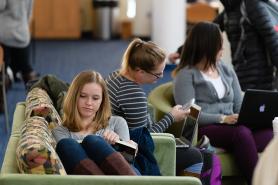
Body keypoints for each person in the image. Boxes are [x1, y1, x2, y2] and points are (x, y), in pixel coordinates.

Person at [172, 21, 273, 185]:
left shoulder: (225, 69)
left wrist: (250, 117)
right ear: (207, 47)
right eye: (219, 45)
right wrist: (222, 119)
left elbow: (239, 105)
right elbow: (190, 114)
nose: (223, 49)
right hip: (207, 127)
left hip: (235, 126)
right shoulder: (186, 75)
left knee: (270, 134)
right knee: (241, 134)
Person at [105, 38, 204, 178]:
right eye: (158, 74)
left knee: (199, 154)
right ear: (140, 71)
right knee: (195, 156)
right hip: (132, 152)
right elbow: (145, 140)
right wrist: (171, 117)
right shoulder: (133, 94)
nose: (162, 76)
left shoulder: (116, 75)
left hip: (118, 140)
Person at [52, 70, 137, 175]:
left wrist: (123, 146)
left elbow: (128, 162)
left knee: (92, 140)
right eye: (83, 96)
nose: (89, 103)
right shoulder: (60, 132)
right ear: (73, 98)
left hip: (125, 178)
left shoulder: (117, 122)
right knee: (67, 144)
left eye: (95, 98)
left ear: (102, 101)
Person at [0, 0, 39, 86]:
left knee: (2, 69)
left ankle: (4, 90)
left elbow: (1, 5)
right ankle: (34, 95)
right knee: (26, 69)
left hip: (4, 34)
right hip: (22, 33)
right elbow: (29, 13)